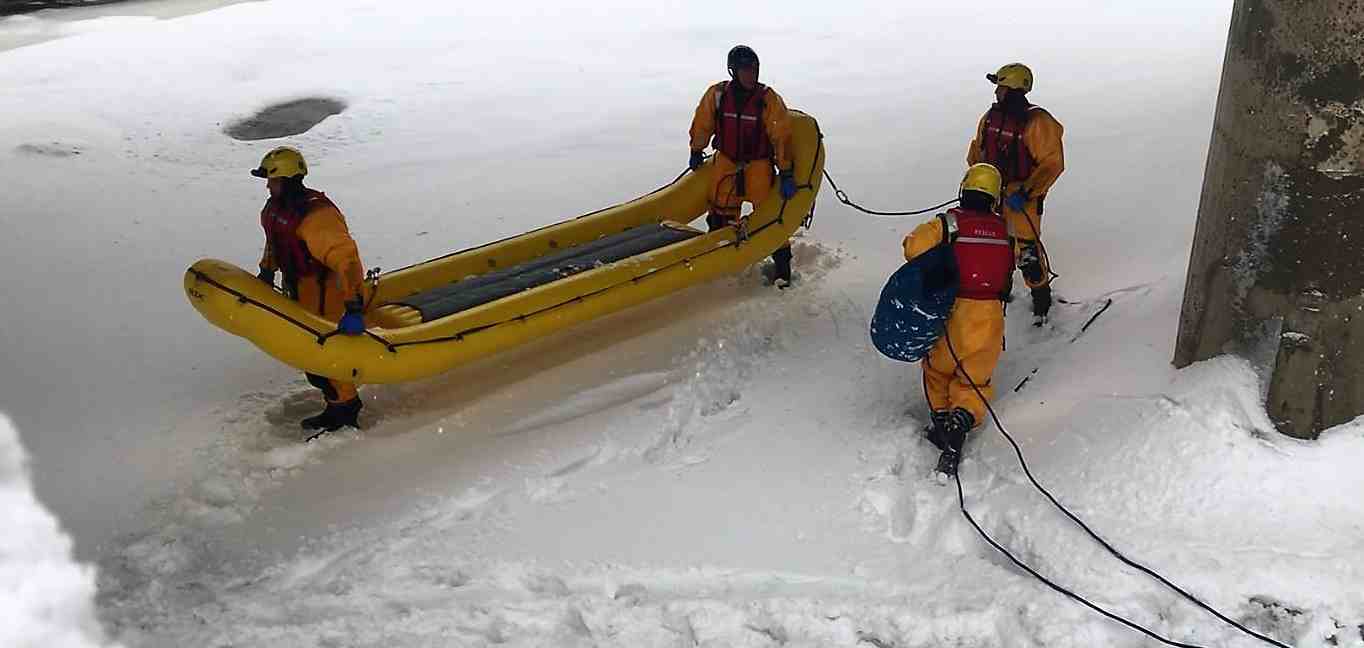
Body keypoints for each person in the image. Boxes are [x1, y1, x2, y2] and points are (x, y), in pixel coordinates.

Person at [902, 164, 1013, 478]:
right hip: (990, 316)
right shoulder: (1004, 230)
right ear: (994, 197)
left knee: (937, 372)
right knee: (973, 380)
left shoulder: (950, 224)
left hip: (953, 312)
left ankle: (941, 425)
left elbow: (912, 248)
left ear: (965, 189)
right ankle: (960, 424)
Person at [252, 146, 368, 437]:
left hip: (324, 290)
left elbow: (346, 259)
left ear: (290, 180)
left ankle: (346, 408)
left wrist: (353, 305)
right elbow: (275, 243)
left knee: (326, 352)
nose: (268, 185)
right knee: (311, 355)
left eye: (273, 180)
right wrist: (267, 271)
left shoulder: (316, 216)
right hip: (298, 287)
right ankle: (335, 405)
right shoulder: (278, 209)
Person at [688, 44, 798, 288]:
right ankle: (720, 260)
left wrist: (786, 170)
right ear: (733, 71)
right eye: (745, 69)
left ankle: (782, 268)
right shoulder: (717, 95)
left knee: (770, 218)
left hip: (758, 165)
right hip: (726, 161)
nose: (751, 74)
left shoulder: (768, 99)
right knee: (720, 213)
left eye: (754, 69)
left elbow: (781, 135)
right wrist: (697, 149)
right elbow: (703, 122)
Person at [967, 63, 1064, 325]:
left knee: (1027, 250)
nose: (997, 92)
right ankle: (1002, 291)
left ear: (1014, 89)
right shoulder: (990, 117)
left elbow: (1052, 164)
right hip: (993, 193)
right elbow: (978, 151)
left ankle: (1041, 299)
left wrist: (1027, 191)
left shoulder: (1039, 123)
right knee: (999, 245)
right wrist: (977, 184)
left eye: (1001, 87)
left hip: (1022, 198)